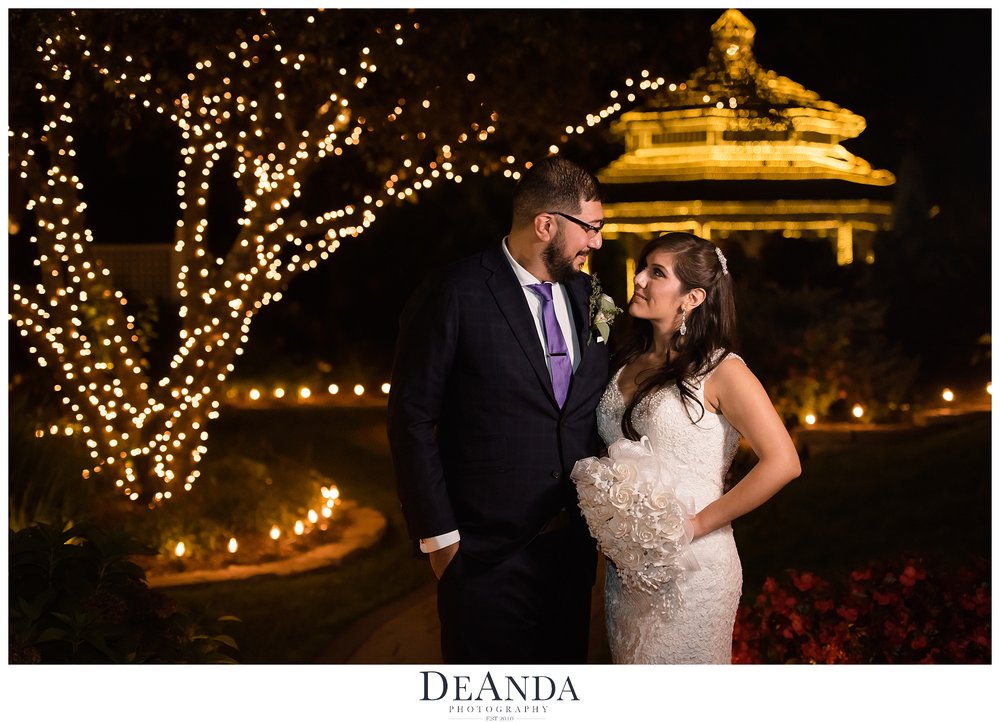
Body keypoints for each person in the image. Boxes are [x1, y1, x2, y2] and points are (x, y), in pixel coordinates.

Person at [387, 156, 612, 664]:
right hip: (483, 556)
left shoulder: (589, 296)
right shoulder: (455, 292)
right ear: (546, 224)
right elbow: (412, 418)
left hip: (570, 552)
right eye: (592, 227)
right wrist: (441, 540)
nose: (597, 242)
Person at [589, 232, 801, 664]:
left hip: (694, 568)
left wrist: (696, 525)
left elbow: (783, 463)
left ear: (692, 298)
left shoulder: (722, 371)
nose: (640, 279)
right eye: (643, 267)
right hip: (627, 572)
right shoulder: (624, 360)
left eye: (657, 273)